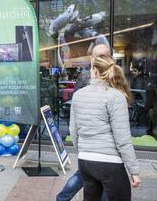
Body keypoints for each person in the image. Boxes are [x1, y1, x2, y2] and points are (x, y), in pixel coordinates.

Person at [70, 54, 141, 200]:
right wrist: (134, 171)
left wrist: (83, 151)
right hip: (110, 164)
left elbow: (74, 131)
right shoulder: (116, 97)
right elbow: (123, 139)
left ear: (95, 70)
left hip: (85, 161)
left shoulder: (78, 95)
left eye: (90, 68)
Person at [56, 44, 110, 201]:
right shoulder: (108, 79)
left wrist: (79, 143)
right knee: (93, 177)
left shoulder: (92, 77)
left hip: (90, 141)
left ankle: (61, 198)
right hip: (97, 141)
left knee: (83, 174)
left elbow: (75, 102)